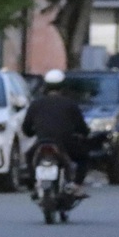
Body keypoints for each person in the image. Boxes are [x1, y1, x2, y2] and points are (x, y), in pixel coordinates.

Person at [22, 69, 92, 197]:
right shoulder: (70, 104)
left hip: (42, 142)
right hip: (65, 143)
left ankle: (34, 185)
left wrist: (33, 132)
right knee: (84, 158)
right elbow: (82, 127)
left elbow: (26, 128)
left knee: (29, 156)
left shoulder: (36, 104)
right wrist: (83, 134)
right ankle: (76, 185)